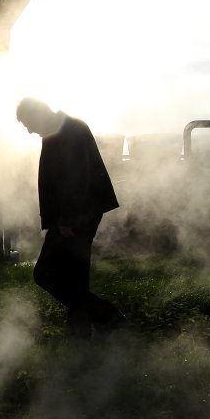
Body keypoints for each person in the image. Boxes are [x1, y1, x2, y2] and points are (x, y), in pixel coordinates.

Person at [16, 97, 126, 339]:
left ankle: (109, 317)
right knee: (76, 275)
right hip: (75, 215)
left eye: (27, 123)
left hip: (77, 217)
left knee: (44, 274)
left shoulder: (69, 129)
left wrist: (67, 219)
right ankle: (81, 333)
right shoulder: (60, 129)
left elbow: (77, 177)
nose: (29, 129)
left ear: (37, 114)